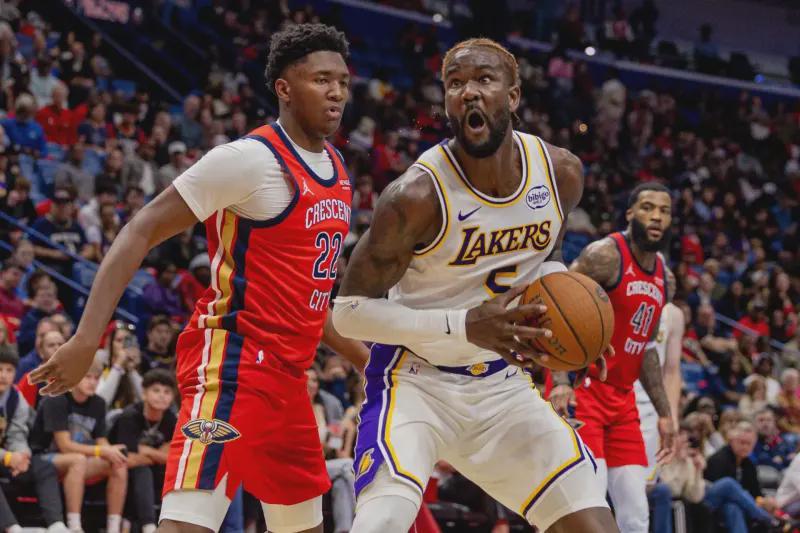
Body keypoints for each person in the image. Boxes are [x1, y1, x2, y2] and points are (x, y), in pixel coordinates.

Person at [31, 23, 369, 533]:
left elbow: (308, 300)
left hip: (288, 378)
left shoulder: (338, 170)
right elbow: (140, 230)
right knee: (188, 524)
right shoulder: (248, 160)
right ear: (284, 87)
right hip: (231, 363)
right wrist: (85, 338)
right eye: (321, 80)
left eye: (342, 81)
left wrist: (370, 360)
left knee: (304, 527)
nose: (337, 92)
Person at [333, 38, 616, 533]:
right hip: (415, 383)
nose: (468, 92)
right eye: (455, 83)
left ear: (513, 95)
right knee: (383, 521)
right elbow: (348, 313)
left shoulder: (561, 173)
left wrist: (577, 326)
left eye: (484, 79)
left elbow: (545, 260)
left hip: (502, 387)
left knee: (595, 525)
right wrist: (464, 325)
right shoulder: (415, 196)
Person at [568, 182, 676, 533]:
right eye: (647, 208)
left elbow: (645, 349)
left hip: (623, 401)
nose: (656, 216)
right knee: (590, 500)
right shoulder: (605, 255)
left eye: (664, 211)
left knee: (635, 512)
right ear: (630, 213)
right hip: (585, 390)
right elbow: (557, 308)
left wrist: (664, 413)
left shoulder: (665, 279)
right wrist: (558, 382)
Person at [29, 359, 129, 533]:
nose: (93, 382)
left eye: (96, 378)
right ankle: (75, 526)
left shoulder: (98, 403)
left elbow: (101, 440)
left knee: (118, 463)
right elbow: (64, 446)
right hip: (43, 458)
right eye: (87, 377)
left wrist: (112, 451)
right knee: (78, 460)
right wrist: (101, 450)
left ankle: (113, 527)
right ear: (74, 378)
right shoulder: (56, 399)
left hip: (78, 458)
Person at [0, 345, 70, 533]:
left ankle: (56, 524)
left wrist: (22, 456)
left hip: (8, 458)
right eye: (0, 369)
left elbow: (17, 433)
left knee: (44, 467)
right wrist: (8, 457)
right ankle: (11, 527)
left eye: (9, 370)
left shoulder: (16, 398)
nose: (4, 375)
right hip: (4, 457)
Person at [108, 369, 178, 533]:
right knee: (142, 469)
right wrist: (158, 454)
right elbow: (127, 458)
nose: (162, 396)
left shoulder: (171, 419)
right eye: (156, 390)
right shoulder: (129, 416)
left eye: (167, 392)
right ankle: (149, 526)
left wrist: (147, 451)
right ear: (144, 393)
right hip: (117, 468)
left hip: (154, 472)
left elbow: (172, 457)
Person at [632, 269, 682, 481]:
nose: (670, 279)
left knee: (644, 481)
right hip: (619, 392)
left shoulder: (674, 315)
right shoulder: (626, 297)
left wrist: (672, 416)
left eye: (672, 277)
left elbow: (672, 371)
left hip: (651, 402)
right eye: (664, 275)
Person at [704, 422, 783, 532]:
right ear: (732, 441)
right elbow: (719, 493)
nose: (745, 447)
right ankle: (768, 519)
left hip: (734, 506)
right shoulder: (718, 460)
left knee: (732, 508)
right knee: (729, 485)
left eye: (749, 444)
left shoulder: (749, 464)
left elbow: (755, 493)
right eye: (741, 442)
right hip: (711, 504)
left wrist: (765, 501)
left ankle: (768, 519)